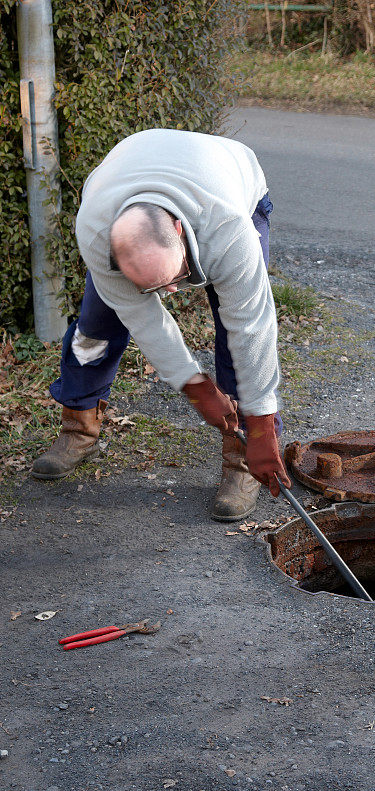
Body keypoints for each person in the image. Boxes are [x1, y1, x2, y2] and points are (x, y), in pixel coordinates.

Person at [32, 128, 291, 520]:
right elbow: (145, 321)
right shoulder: (96, 231)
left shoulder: (229, 230)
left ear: (179, 231)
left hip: (230, 178)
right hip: (133, 173)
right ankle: (79, 426)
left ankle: (240, 458)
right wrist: (194, 385)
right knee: (94, 331)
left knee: (233, 337)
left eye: (175, 279)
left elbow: (252, 329)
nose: (170, 293)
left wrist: (261, 425)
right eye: (155, 287)